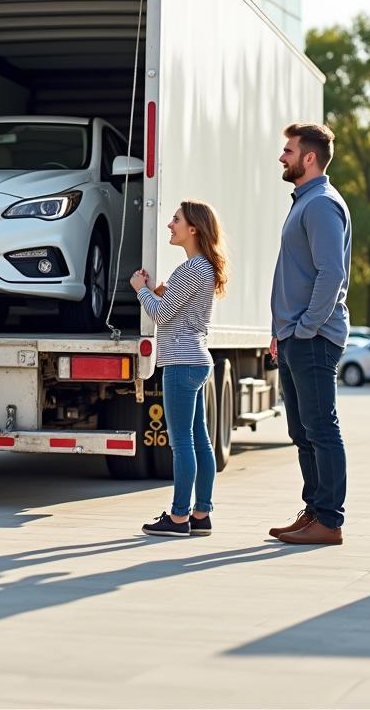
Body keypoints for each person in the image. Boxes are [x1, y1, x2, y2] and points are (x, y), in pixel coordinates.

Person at [269, 122, 351, 546]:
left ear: (310, 157)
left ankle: (330, 521)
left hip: (313, 338)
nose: (282, 157)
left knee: (320, 428)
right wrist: (280, 332)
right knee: (302, 432)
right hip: (294, 336)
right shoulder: (304, 202)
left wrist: (304, 329)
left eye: (288, 150)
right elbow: (293, 274)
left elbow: (331, 273)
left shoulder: (320, 204)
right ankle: (314, 511)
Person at [130, 201, 228, 538]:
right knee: (200, 441)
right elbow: (174, 308)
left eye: (176, 220)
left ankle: (178, 517)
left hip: (181, 362)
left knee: (182, 443)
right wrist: (159, 293)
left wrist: (140, 289)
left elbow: (159, 315)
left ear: (194, 229)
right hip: (197, 360)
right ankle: (201, 513)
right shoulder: (202, 268)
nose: (170, 225)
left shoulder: (192, 269)